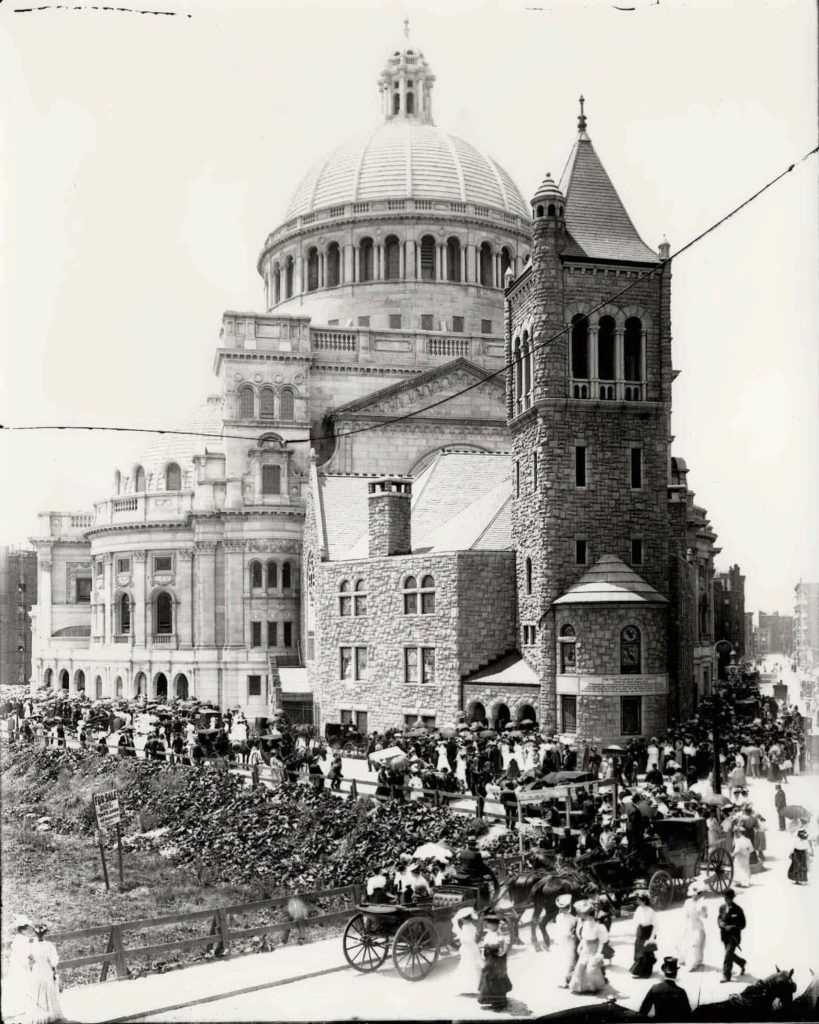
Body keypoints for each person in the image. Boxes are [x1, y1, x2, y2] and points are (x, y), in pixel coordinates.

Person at [569, 901, 607, 995]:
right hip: (585, 948)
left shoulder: (599, 926)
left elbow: (602, 941)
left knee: (591, 969)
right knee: (581, 966)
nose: (583, 917)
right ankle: (581, 987)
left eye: (585, 915)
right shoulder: (585, 924)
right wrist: (580, 945)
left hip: (594, 949)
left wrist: (599, 952)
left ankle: (593, 987)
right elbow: (584, 937)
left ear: (590, 915)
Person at [28, 924, 63, 1024]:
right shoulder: (49, 945)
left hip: (37, 967)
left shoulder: (32, 945)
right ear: (45, 933)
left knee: (38, 988)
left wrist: (33, 962)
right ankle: (51, 1012)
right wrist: (53, 968)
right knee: (47, 987)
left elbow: (30, 957)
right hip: (46, 967)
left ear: (35, 934)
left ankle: (40, 1013)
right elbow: (53, 959)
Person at [638, 956, 692, 1021]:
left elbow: (643, 1010)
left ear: (664, 972)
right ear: (676, 973)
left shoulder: (655, 988)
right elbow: (687, 1015)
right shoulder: (680, 992)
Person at [477, 913, 512, 1010]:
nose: (488, 926)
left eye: (490, 924)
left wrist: (498, 953)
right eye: (488, 924)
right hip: (490, 958)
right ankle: (493, 999)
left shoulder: (499, 936)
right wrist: (484, 952)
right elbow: (485, 945)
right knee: (489, 977)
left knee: (495, 978)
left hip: (496, 960)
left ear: (495, 925)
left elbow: (502, 950)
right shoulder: (489, 934)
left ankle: (499, 1001)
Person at [4, 914, 33, 1021]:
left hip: (18, 963)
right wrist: (29, 959)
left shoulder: (17, 938)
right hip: (20, 964)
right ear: (23, 929)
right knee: (22, 983)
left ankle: (22, 1006)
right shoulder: (22, 939)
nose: (28, 930)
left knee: (21, 983)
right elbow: (25, 953)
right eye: (26, 929)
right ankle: (22, 1006)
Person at [717, 888, 747, 982]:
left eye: (730, 898)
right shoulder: (722, 907)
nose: (729, 900)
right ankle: (742, 962)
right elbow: (719, 918)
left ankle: (726, 976)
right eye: (727, 898)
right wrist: (720, 924)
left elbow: (743, 924)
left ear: (733, 898)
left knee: (727, 955)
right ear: (724, 898)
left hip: (734, 937)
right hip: (724, 936)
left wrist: (732, 927)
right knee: (729, 954)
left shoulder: (738, 909)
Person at [452, 907, 482, 995]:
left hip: (469, 949)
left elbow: (467, 939)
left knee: (468, 966)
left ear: (465, 920)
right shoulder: (471, 927)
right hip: (471, 948)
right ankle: (470, 986)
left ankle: (469, 986)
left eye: (463, 920)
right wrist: (461, 936)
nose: (462, 922)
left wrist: (460, 936)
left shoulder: (467, 928)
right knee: (469, 965)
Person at [679, 880, 707, 971]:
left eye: (698, 894)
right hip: (689, 924)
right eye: (694, 894)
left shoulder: (701, 903)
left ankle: (693, 963)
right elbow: (685, 914)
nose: (695, 895)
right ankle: (685, 959)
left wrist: (702, 910)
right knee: (686, 942)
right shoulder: (687, 902)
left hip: (697, 924)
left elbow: (705, 916)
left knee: (695, 944)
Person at [552, 894, 578, 988]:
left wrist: (570, 935)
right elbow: (557, 929)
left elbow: (574, 932)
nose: (562, 910)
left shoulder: (573, 919)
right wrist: (556, 940)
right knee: (561, 960)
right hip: (561, 941)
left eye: (564, 908)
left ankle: (568, 980)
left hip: (569, 942)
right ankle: (562, 979)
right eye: (560, 908)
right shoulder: (558, 917)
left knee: (569, 960)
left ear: (568, 907)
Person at [632, 892, 657, 962]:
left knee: (647, 951)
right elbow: (635, 921)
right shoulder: (638, 909)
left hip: (648, 932)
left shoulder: (650, 911)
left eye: (639, 900)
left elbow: (656, 925)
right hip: (640, 932)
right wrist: (636, 932)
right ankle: (639, 967)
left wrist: (652, 937)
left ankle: (647, 969)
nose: (637, 902)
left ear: (644, 901)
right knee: (638, 949)